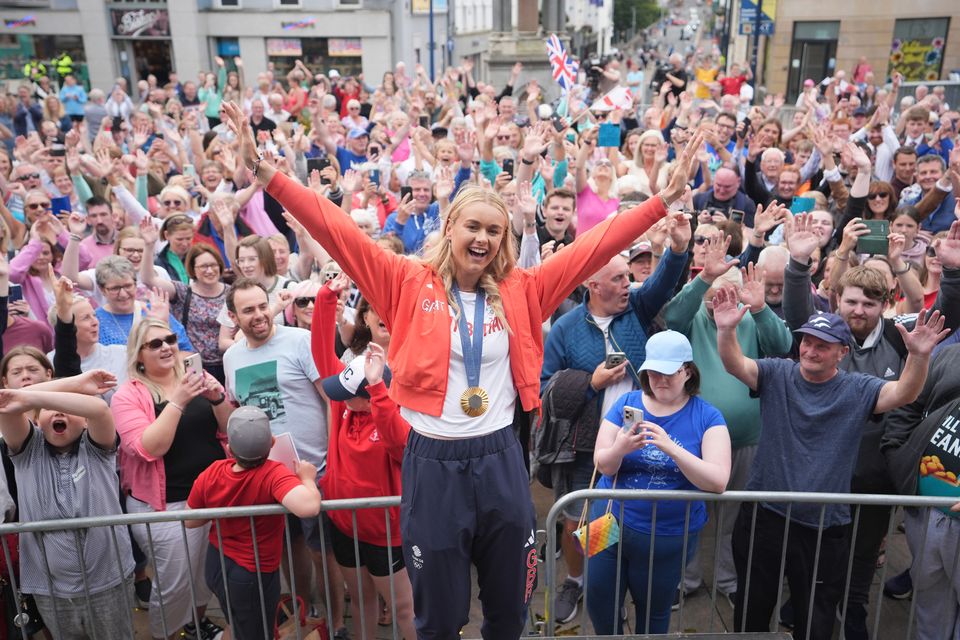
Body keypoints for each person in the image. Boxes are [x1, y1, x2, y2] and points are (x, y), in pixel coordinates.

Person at [222, 100, 703, 640]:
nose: (484, 240)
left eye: (494, 232)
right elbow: (337, 230)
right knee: (440, 616)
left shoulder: (523, 289)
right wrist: (266, 174)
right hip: (433, 461)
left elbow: (597, 246)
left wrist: (662, 200)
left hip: (500, 456)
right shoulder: (404, 281)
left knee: (508, 610)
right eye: (473, 226)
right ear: (451, 226)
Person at [714, 283, 947, 640]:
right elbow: (735, 364)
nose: (810, 350)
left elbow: (904, 393)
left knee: (816, 618)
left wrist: (918, 356)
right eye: (806, 342)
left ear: (841, 352)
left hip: (824, 527)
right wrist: (726, 329)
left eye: (822, 345)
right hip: (765, 516)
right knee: (752, 610)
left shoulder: (857, 388)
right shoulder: (778, 373)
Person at [539, 217, 691, 624]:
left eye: (629, 276)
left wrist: (678, 249)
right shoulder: (566, 328)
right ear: (593, 285)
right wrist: (590, 382)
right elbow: (544, 388)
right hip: (584, 443)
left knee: (627, 514)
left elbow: (662, 282)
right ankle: (575, 579)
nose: (629, 284)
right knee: (576, 519)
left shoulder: (637, 310)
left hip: (639, 436)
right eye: (620, 278)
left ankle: (616, 581)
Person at [221, 277, 343, 635]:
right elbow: (239, 410)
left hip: (314, 470)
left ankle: (336, 626)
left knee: (324, 554)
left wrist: (335, 458)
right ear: (234, 316)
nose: (259, 315)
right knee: (291, 552)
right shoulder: (231, 357)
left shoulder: (300, 341)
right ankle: (304, 618)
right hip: (267, 477)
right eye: (248, 310)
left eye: (262, 306)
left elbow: (331, 401)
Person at [588, 331, 731, 634]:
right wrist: (620, 448)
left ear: (688, 371)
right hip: (607, 518)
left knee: (653, 613)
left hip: (668, 535)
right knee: (598, 600)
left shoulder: (708, 416)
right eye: (653, 372)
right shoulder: (626, 402)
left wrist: (670, 447)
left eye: (669, 372)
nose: (660, 380)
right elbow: (602, 464)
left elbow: (718, 481)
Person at [110, 319, 232, 640]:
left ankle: (195, 625)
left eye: (170, 339)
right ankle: (167, 633)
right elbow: (151, 448)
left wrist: (218, 398)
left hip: (211, 496)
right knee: (174, 583)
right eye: (155, 344)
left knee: (205, 575)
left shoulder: (196, 378)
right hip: (166, 507)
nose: (166, 347)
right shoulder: (127, 396)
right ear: (139, 356)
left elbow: (229, 429)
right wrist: (178, 401)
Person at [312, 277, 416, 639]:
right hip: (345, 525)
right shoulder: (343, 408)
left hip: (385, 533)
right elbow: (322, 355)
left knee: (405, 610)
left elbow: (400, 446)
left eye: (347, 392)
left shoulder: (391, 413)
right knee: (361, 602)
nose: (338, 396)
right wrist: (326, 299)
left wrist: (378, 391)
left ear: (369, 393)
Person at [0, 374, 135, 640]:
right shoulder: (28, 452)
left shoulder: (97, 449)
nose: (60, 410)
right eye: (49, 408)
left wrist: (49, 395)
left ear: (84, 421)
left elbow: (99, 409)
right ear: (36, 419)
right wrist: (75, 385)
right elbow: (5, 403)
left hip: (108, 583)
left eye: (72, 406)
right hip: (51, 589)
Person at [186, 406, 322, 640]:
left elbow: (190, 521)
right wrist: (307, 479)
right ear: (271, 443)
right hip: (252, 575)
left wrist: (223, 507)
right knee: (257, 633)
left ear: (229, 449)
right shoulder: (273, 473)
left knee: (237, 625)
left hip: (217, 564)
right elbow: (309, 506)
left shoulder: (212, 472)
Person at [881, 343, 960, 640]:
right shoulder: (952, 354)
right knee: (930, 612)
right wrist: (897, 453)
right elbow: (910, 404)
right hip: (924, 515)